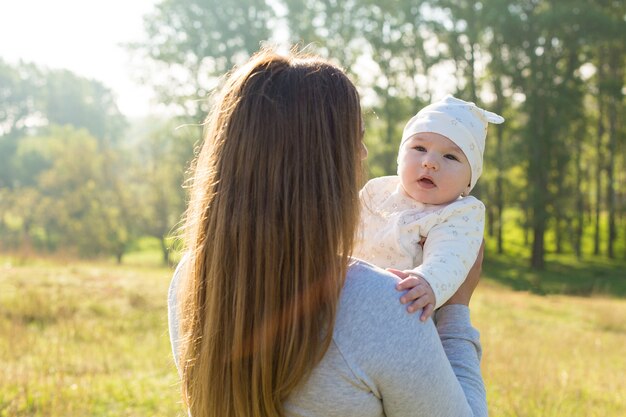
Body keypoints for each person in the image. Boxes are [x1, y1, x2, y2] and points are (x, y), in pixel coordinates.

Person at [168, 47, 487, 417]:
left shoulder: (193, 280)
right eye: (356, 138)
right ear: (324, 164)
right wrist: (456, 311)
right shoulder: (385, 304)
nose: (364, 154)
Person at [353, 95, 504, 321]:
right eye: (420, 148)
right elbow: (340, 224)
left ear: (468, 182)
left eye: (451, 156)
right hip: (349, 295)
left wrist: (427, 280)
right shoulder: (378, 190)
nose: (430, 162)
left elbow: (450, 256)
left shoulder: (459, 213)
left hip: (404, 307)